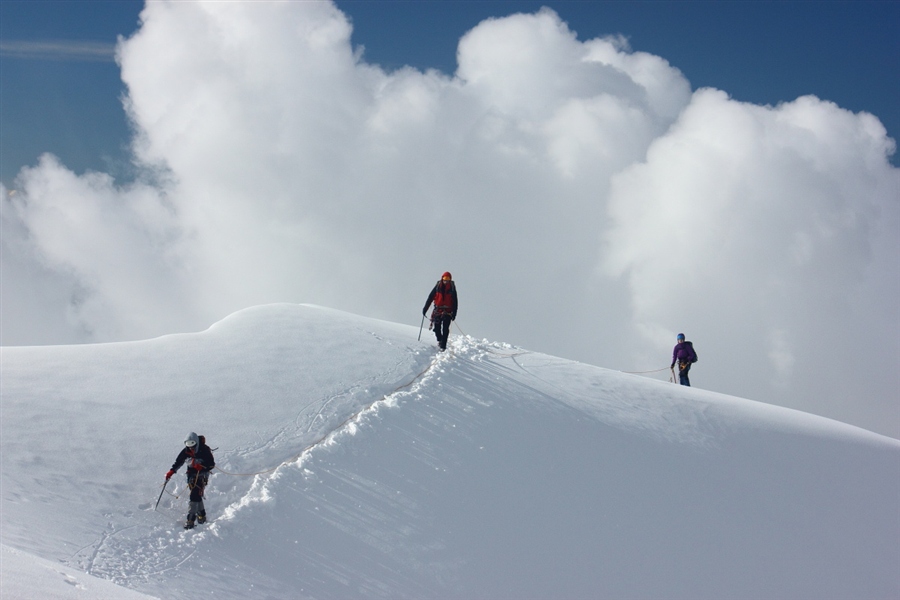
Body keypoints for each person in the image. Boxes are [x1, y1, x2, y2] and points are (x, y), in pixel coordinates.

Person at [165, 432, 215, 529]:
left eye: (192, 444)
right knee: (197, 495)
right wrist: (171, 471)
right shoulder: (186, 451)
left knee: (194, 495)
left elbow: (211, 464)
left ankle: (190, 520)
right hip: (191, 476)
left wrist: (202, 466)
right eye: (188, 444)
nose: (191, 447)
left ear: (196, 442)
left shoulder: (204, 450)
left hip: (202, 475)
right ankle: (202, 516)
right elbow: (178, 462)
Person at [422, 271, 458, 351]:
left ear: (450, 279)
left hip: (448, 312)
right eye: (444, 278)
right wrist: (425, 308)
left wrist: (454, 313)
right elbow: (430, 298)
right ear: (442, 278)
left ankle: (443, 346)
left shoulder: (452, 289)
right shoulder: (438, 286)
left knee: (445, 329)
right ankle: (440, 339)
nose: (446, 280)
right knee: (437, 328)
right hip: (438, 310)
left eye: (447, 278)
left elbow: (455, 302)